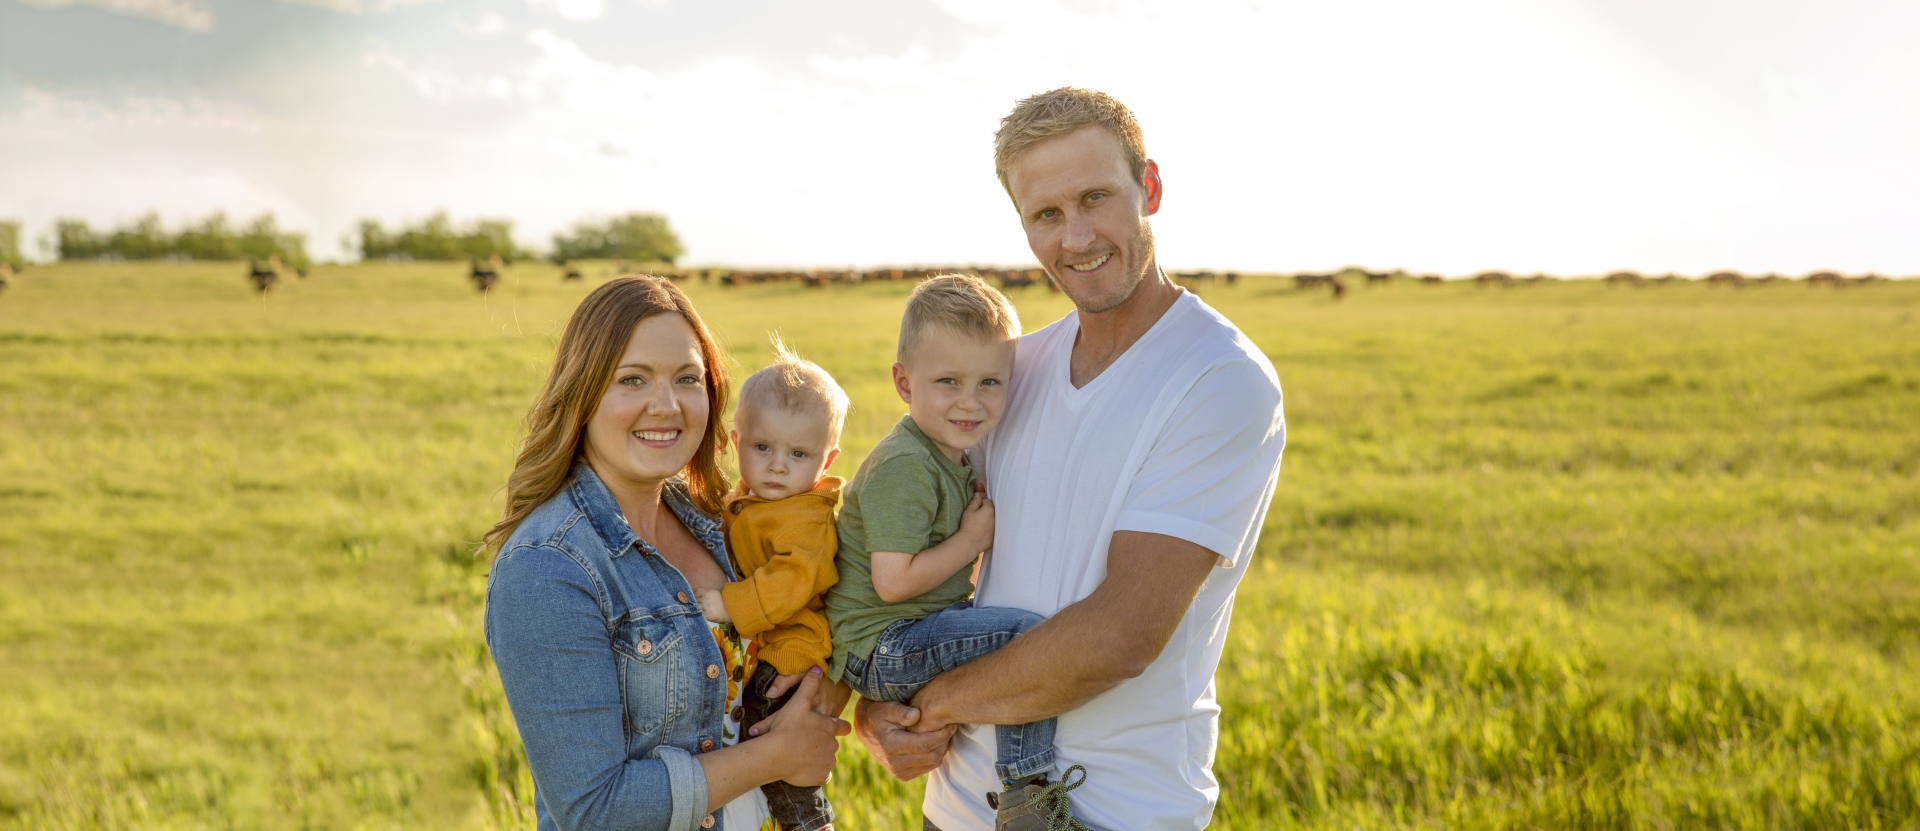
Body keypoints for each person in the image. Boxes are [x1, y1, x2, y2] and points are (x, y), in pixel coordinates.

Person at [852, 89, 1288, 831]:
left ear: (1148, 188)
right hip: (954, 804)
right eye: (1046, 214)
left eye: (1096, 198)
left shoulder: (1218, 378)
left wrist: (930, 703)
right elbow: (891, 541)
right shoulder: (1010, 373)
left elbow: (1120, 636)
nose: (1076, 236)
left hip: (1114, 812)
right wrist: (874, 708)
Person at [483, 276, 851, 831]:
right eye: (633, 379)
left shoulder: (719, 516)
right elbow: (594, 809)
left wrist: (824, 687)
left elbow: (817, 603)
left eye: (687, 379)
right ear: (583, 394)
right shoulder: (546, 567)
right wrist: (779, 756)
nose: (667, 405)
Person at [823, 275, 1088, 831]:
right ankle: (1026, 795)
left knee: (1016, 640)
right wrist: (970, 542)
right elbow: (892, 583)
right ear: (903, 382)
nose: (971, 402)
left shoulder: (949, 451)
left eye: (990, 381)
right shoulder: (905, 466)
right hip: (882, 647)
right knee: (1028, 640)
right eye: (948, 382)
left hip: (905, 633)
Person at [694, 340, 850, 831]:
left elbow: (791, 583)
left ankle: (805, 816)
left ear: (826, 462)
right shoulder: (750, 500)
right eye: (763, 448)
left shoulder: (806, 520)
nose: (778, 465)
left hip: (792, 650)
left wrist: (728, 605)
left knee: (770, 721)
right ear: (736, 442)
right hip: (770, 641)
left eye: (799, 453)